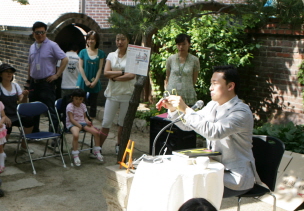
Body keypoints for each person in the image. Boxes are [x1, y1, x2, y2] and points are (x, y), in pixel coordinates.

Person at [157, 65, 260, 196]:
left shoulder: (241, 112)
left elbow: (213, 132)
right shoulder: (212, 105)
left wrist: (186, 109)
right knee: (177, 179)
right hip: (212, 169)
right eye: (211, 83)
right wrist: (173, 109)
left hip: (235, 176)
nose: (210, 88)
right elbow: (189, 126)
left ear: (230, 86)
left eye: (215, 84)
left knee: (190, 188)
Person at [99, 33, 136, 156]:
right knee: (106, 122)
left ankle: (119, 145)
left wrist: (115, 77)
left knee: (122, 123)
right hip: (112, 93)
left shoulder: (132, 56)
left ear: (127, 40)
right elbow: (106, 72)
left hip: (127, 93)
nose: (120, 42)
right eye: (118, 39)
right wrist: (122, 72)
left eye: (123, 39)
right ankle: (98, 147)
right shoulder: (111, 55)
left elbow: (131, 75)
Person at [28, 21, 68, 133]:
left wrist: (57, 75)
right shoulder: (32, 47)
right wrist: (28, 80)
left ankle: (54, 134)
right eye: (37, 33)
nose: (40, 35)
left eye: (42, 32)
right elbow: (30, 64)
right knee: (33, 109)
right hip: (34, 83)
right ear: (33, 33)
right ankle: (35, 131)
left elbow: (65, 59)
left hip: (47, 83)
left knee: (50, 109)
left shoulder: (52, 45)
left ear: (46, 32)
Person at [0, 64, 32, 149]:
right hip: (3, 115)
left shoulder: (15, 86)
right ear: (0, 74)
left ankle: (24, 144)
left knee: (29, 120)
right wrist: (4, 116)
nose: (9, 74)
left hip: (15, 114)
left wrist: (25, 96)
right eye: (6, 72)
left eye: (11, 72)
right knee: (7, 125)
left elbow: (22, 103)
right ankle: (0, 149)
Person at [66, 89, 104, 165]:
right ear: (72, 98)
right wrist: (79, 125)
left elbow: (85, 117)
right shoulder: (70, 106)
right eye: (76, 99)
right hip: (72, 123)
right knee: (76, 135)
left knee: (96, 133)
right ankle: (75, 154)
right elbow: (71, 119)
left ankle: (97, 151)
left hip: (82, 123)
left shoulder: (83, 105)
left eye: (80, 99)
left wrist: (87, 121)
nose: (78, 101)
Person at [164, 33, 200, 106]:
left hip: (187, 94)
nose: (181, 47)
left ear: (189, 44)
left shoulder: (194, 60)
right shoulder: (171, 59)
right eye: (179, 44)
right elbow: (168, 77)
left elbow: (194, 79)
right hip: (172, 92)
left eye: (184, 44)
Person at [77, 31, 106, 118]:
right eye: (88, 39)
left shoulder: (101, 53)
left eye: (92, 39)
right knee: (81, 102)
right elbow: (80, 67)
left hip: (95, 80)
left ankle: (91, 121)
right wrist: (86, 80)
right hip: (83, 80)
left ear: (96, 40)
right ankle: (81, 120)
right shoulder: (82, 52)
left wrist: (95, 81)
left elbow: (100, 68)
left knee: (93, 103)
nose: (90, 41)